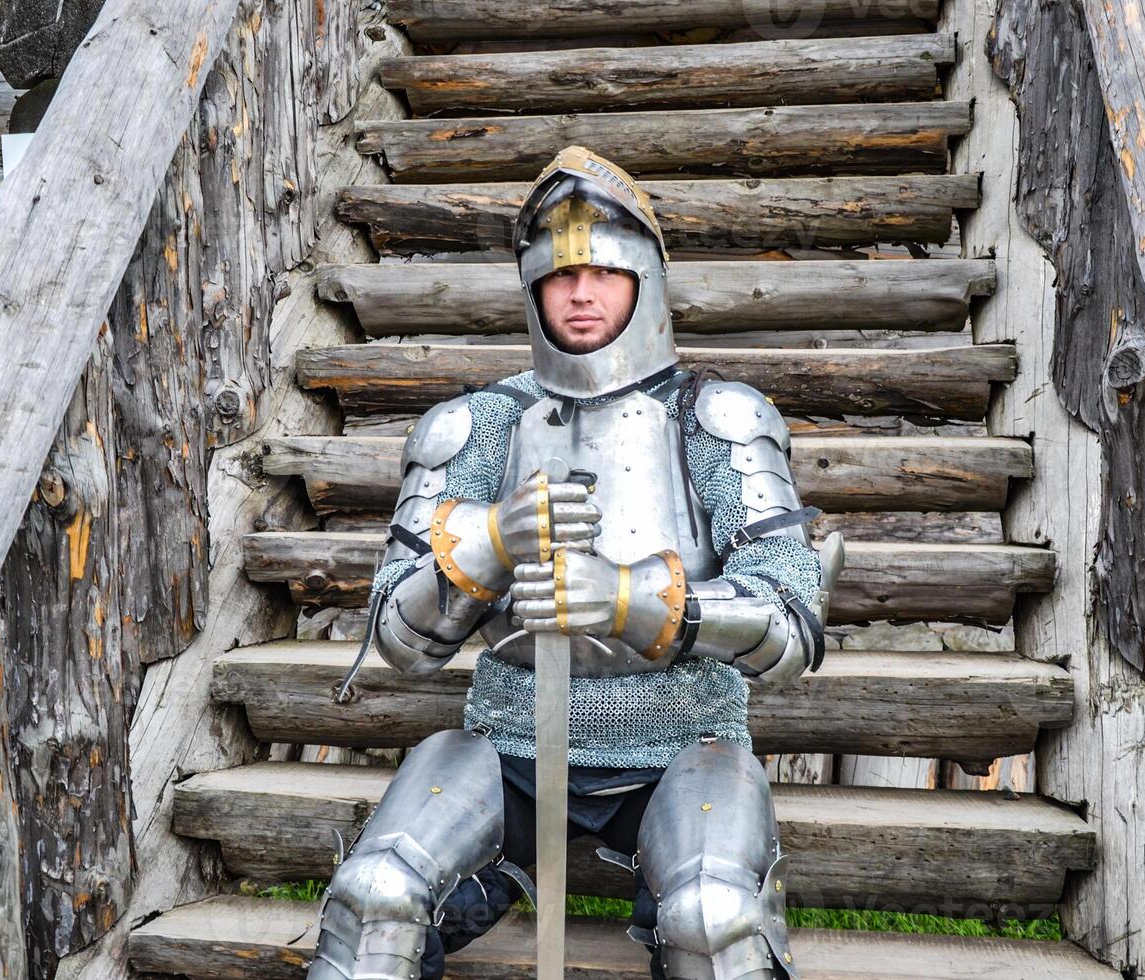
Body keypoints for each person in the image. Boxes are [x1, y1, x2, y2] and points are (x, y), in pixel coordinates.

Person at [308, 147, 844, 980]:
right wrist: (489, 539)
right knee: (375, 896)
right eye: (560, 277)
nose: (581, 293)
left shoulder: (715, 415)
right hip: (508, 740)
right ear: (531, 288)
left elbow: (790, 624)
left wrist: (631, 598)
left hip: (682, 741)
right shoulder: (478, 425)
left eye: (603, 272)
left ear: (646, 282)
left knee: (714, 917)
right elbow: (399, 639)